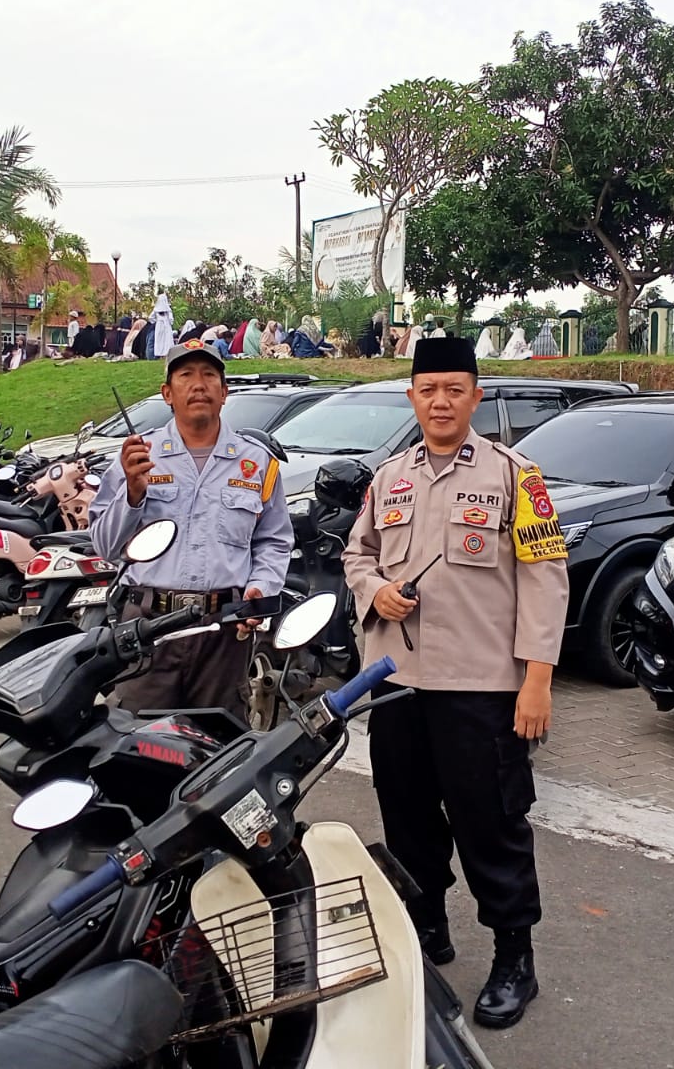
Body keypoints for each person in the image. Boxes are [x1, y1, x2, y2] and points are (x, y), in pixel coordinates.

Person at [342, 335, 568, 1030]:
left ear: (476, 396)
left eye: (454, 390)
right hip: (398, 683)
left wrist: (537, 681)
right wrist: (375, 591)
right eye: (428, 390)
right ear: (412, 396)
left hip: (481, 687)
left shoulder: (516, 477)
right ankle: (426, 926)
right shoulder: (389, 477)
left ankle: (514, 958)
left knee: (491, 825)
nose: (440, 402)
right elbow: (357, 554)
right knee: (407, 819)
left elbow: (545, 578)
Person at [87, 338, 293, 715]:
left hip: (224, 631)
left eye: (209, 375)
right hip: (148, 628)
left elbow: (274, 542)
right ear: (167, 393)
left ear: (224, 392)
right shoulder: (138, 457)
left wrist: (261, 590)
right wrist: (132, 493)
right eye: (186, 375)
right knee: (136, 739)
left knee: (217, 743)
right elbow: (105, 546)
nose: (199, 385)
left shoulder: (258, 464)